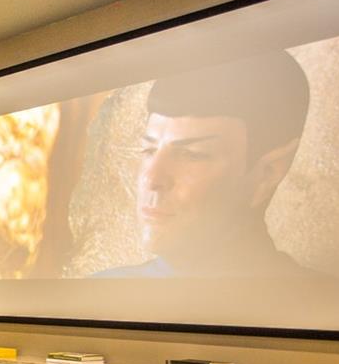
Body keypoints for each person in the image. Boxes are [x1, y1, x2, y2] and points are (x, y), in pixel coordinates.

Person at [96, 49, 313, 278]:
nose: (152, 178)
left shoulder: (319, 297)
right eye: (149, 150)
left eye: (191, 154)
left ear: (267, 174)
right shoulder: (101, 288)